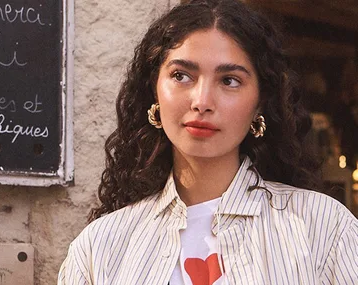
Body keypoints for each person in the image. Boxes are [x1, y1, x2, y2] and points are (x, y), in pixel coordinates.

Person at [58, 0, 358, 284]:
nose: (202, 101)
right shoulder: (100, 249)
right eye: (181, 76)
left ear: (260, 103)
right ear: (154, 92)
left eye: (229, 80)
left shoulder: (324, 230)